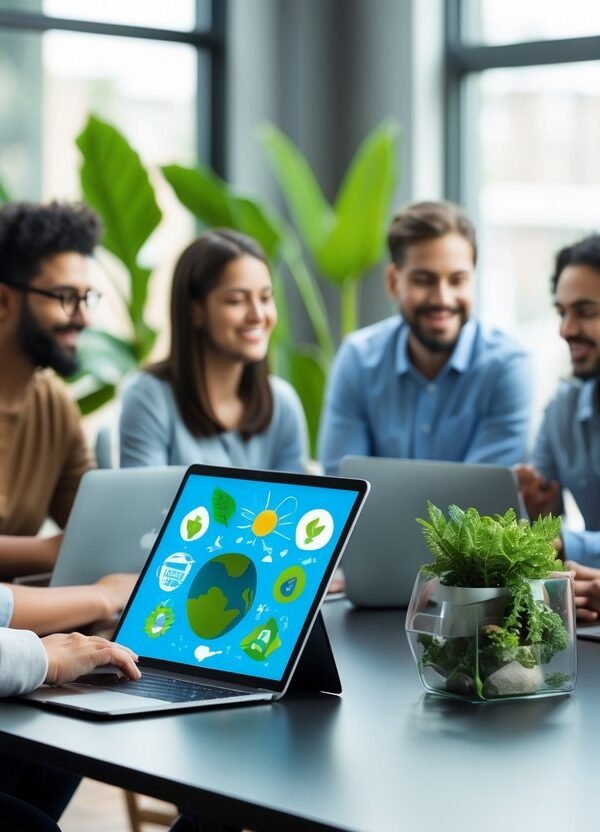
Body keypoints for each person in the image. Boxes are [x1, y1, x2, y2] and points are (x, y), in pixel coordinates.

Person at [318, 200, 532, 474]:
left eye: (457, 280)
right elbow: (343, 484)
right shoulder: (357, 359)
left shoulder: (508, 366)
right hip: (378, 520)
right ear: (394, 282)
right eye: (424, 280)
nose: (442, 298)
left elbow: (483, 503)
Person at [120, 228, 308, 472]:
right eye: (236, 300)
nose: (258, 315)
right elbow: (143, 505)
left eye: (265, 298)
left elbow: (299, 503)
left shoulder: (282, 402)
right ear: (195, 311)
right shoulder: (150, 398)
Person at [0, 201, 100, 578]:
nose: (84, 317)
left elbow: (88, 525)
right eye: (65, 297)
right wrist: (46, 552)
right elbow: (66, 547)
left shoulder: (54, 404)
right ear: (4, 300)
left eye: (87, 298)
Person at [517, 234, 600, 568]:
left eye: (586, 312)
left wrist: (567, 544)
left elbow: (557, 545)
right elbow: (540, 531)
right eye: (562, 312)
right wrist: (537, 512)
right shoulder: (562, 408)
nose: (566, 329)